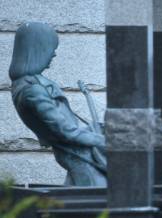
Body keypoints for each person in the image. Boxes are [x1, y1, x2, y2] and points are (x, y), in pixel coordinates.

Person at [10, 22, 107, 186]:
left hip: (80, 153)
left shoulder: (34, 84)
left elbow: (67, 126)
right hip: (77, 155)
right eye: (50, 48)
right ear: (37, 50)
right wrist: (102, 140)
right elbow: (65, 131)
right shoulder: (31, 91)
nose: (54, 54)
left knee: (78, 198)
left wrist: (93, 129)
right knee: (97, 195)